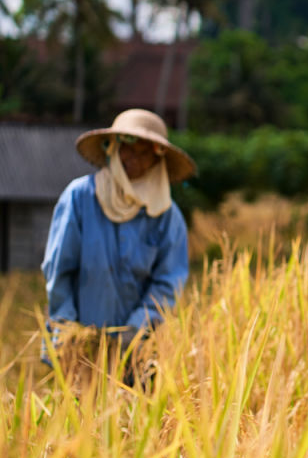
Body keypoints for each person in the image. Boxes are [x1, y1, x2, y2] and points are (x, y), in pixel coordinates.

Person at [41, 109, 196, 378]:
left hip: (140, 351)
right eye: (127, 147)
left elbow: (168, 283)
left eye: (144, 151)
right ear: (113, 148)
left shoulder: (166, 217)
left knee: (137, 417)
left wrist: (134, 331)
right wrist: (68, 331)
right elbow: (59, 271)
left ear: (157, 159)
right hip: (80, 351)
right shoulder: (80, 198)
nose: (132, 158)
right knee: (79, 417)